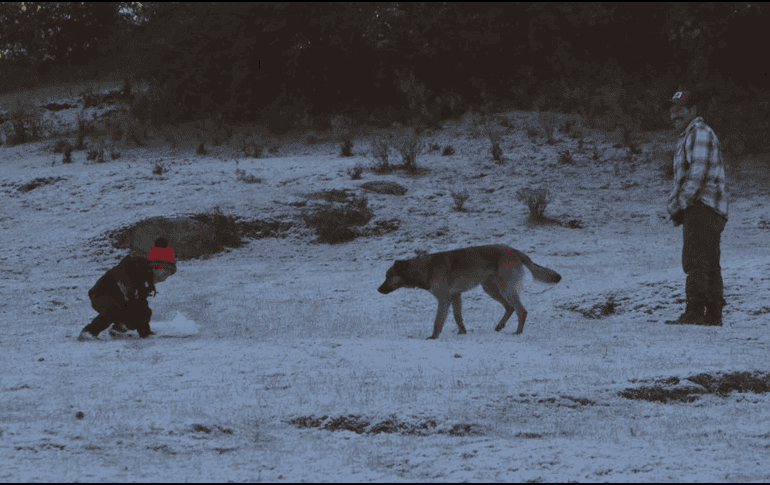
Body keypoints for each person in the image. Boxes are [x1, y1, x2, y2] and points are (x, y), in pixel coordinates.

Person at [663, 90, 729, 326]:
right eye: (671, 109)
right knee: (709, 260)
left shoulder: (698, 132)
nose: (674, 114)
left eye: (680, 108)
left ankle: (694, 311)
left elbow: (698, 174)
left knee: (695, 259)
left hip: (701, 206)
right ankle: (712, 314)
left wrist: (680, 204)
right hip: (711, 208)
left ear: (694, 111)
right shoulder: (693, 134)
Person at [78, 237, 177, 340]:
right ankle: (89, 332)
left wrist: (145, 333)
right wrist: (131, 292)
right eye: (165, 273)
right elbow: (122, 276)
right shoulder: (133, 266)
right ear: (155, 267)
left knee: (144, 311)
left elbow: (140, 304)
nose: (165, 278)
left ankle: (119, 329)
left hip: (122, 301)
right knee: (114, 309)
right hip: (101, 294)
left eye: (168, 276)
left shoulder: (146, 281)